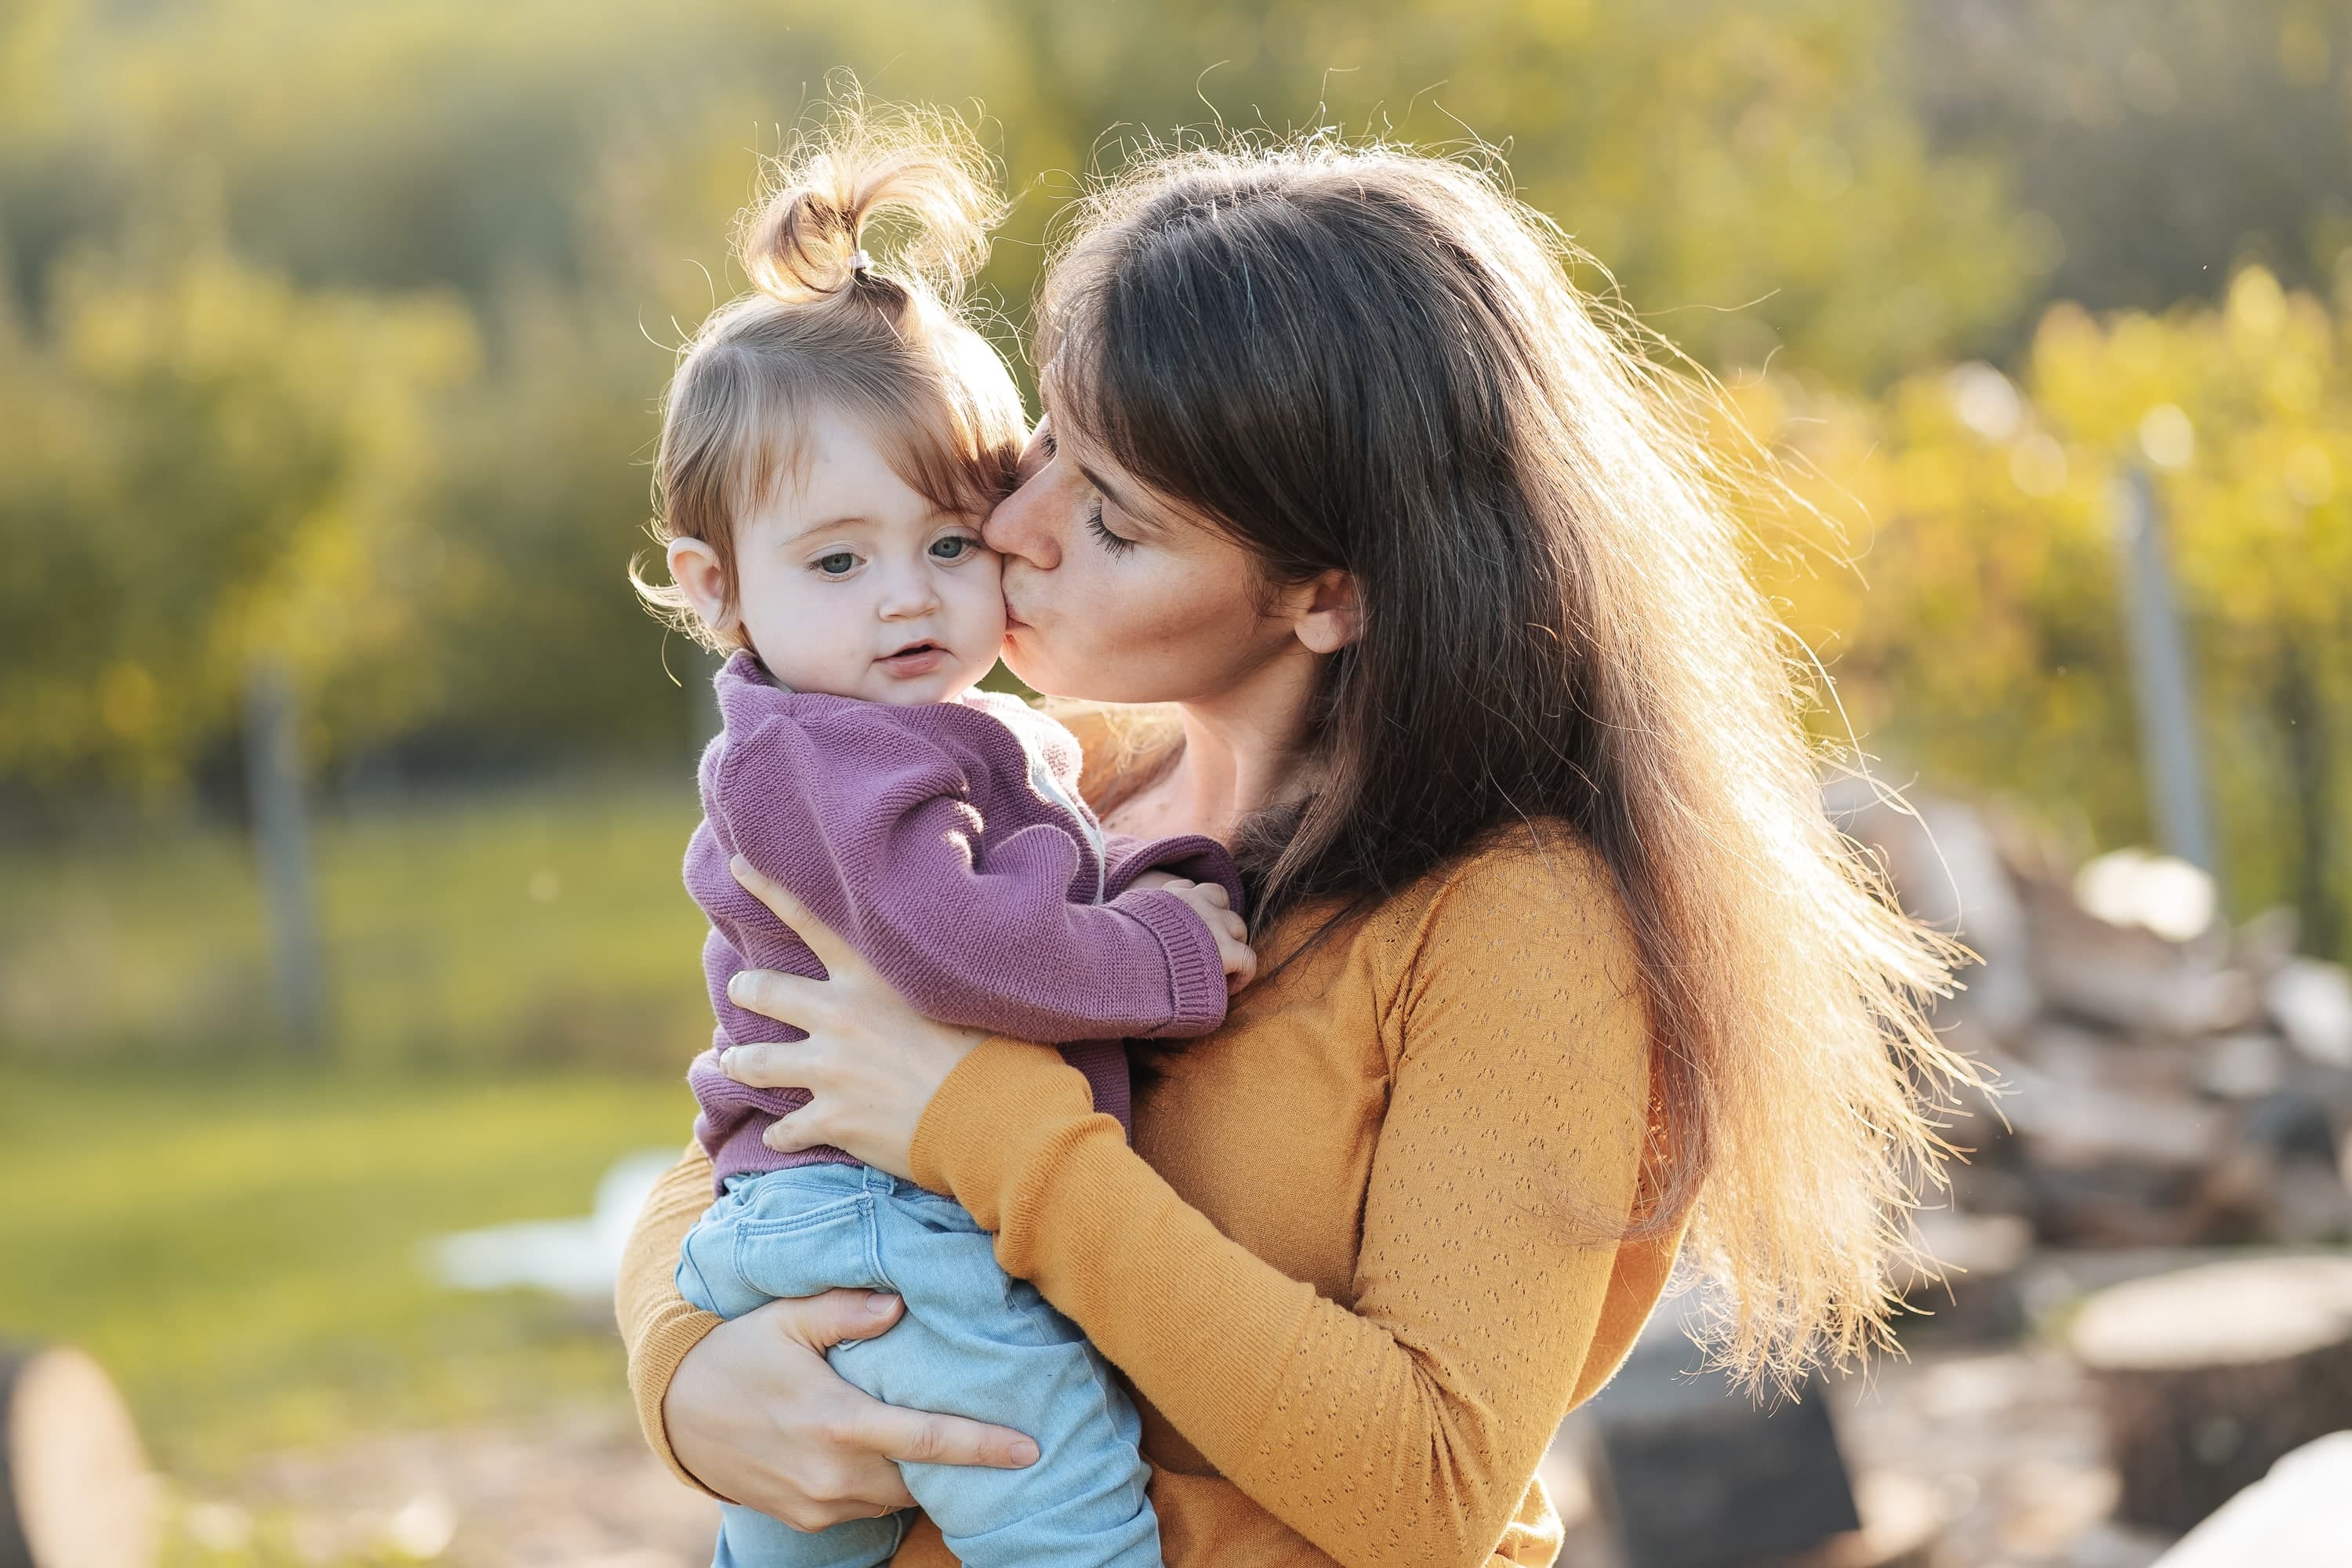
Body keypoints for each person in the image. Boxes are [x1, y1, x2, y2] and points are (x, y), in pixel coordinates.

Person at [618, 121, 1972, 1568]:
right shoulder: (1055, 780)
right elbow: (767, 1096)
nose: (1012, 523)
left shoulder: (1511, 929)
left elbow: (1431, 1490)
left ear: (1326, 594)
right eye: (1049, 447)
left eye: (1114, 517)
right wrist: (687, 1372)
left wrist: (1000, 1137)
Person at [635, 111, 1258, 1568]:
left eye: (949, 544)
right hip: (887, 1225)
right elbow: (953, 943)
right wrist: (1165, 954)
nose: (906, 598)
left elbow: (1022, 881)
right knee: (1063, 1496)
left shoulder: (905, 729)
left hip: (830, 1214)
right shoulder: (821, 753)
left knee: (811, 1539)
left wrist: (1150, 877)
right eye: (838, 561)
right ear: (716, 588)